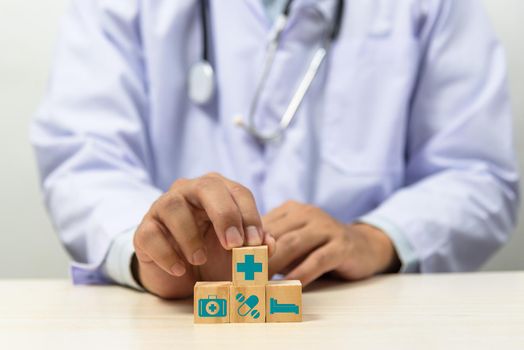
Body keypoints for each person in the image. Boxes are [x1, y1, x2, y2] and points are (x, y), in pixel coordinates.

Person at [31, 0, 519, 299]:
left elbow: (477, 171)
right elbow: (82, 158)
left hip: (362, 314)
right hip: (176, 324)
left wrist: (376, 239)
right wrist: (155, 250)